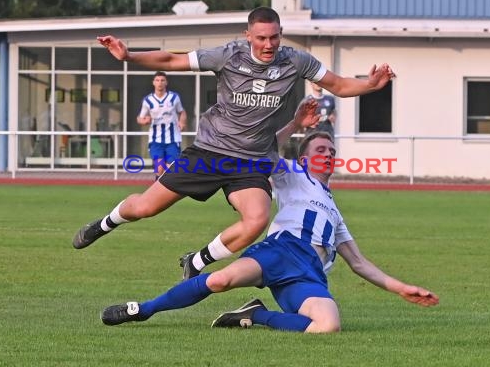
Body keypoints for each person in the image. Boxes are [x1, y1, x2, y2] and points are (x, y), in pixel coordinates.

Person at [73, 7, 395, 282]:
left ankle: (196, 262)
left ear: (280, 34)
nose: (268, 44)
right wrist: (128, 55)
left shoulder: (296, 62)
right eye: (261, 38)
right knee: (145, 207)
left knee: (256, 219)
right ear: (248, 35)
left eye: (274, 37)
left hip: (252, 161)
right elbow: (172, 59)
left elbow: (338, 84)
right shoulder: (228, 56)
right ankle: (103, 224)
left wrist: (371, 85)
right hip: (210, 151)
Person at [99, 101, 439, 333]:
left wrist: (402, 288)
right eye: (321, 149)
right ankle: (143, 309)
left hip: (309, 275)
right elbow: (261, 150)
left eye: (332, 151)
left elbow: (360, 264)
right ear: (304, 159)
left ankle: (255, 314)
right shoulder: (293, 173)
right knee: (219, 281)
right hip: (279, 251)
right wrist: (294, 124)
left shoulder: (334, 211)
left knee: (328, 326)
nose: (329, 154)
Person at [137, 71, 187, 178]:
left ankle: (169, 192)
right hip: (156, 140)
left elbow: (182, 111)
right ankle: (157, 191)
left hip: (173, 140)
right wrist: (144, 121)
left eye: (162, 80)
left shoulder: (174, 97)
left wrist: (182, 122)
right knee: (159, 169)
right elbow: (140, 118)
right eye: (157, 80)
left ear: (166, 83)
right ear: (153, 83)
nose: (160, 83)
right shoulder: (148, 100)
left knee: (171, 170)